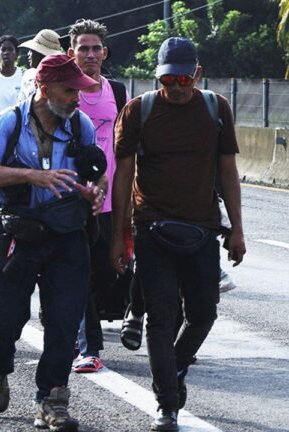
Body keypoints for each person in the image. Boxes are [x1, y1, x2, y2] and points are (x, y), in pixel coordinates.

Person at [110, 37, 246, 431]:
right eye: (169, 80)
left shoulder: (216, 108)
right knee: (162, 316)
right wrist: (120, 235)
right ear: (158, 79)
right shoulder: (140, 110)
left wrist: (237, 229)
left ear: (197, 74)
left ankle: (175, 367)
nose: (177, 87)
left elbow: (227, 172)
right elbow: (123, 176)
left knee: (203, 313)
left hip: (202, 228)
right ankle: (166, 403)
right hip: (152, 226)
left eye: (184, 78)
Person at [0, 54, 105, 431]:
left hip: (67, 232)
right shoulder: (9, 122)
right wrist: (30, 175)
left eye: (79, 90)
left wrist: (94, 192)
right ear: (45, 90)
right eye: (69, 90)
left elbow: (98, 175)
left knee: (64, 318)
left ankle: (52, 399)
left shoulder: (81, 126)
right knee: (10, 313)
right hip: (18, 229)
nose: (77, 98)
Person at [66, 18, 129, 374]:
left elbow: (126, 149)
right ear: (71, 53)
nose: (89, 55)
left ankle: (82, 327)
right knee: (81, 271)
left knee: (108, 270)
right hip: (73, 199)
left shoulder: (117, 92)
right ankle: (89, 345)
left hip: (110, 200)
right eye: (83, 49)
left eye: (95, 49)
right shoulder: (62, 92)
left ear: (104, 53)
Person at [18, 29, 63, 102]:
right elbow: (21, 103)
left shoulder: (60, 78)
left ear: (41, 54)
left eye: (32, 50)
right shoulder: (28, 76)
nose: (28, 54)